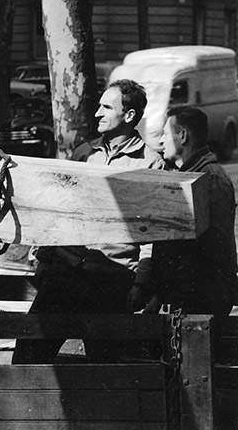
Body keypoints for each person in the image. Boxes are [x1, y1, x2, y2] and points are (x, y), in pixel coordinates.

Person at [13, 79, 165, 363]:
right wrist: (45, 258)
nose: (97, 113)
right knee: (27, 356)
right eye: (98, 106)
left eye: (107, 107)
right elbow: (61, 212)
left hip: (112, 282)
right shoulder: (85, 155)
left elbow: (155, 235)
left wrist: (141, 283)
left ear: (129, 116)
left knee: (106, 370)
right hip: (65, 274)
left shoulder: (150, 164)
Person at [143, 106, 238, 316]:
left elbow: (212, 249)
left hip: (200, 301)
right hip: (188, 297)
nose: (161, 142)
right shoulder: (191, 176)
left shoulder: (209, 179)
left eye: (165, 134)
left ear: (183, 136)